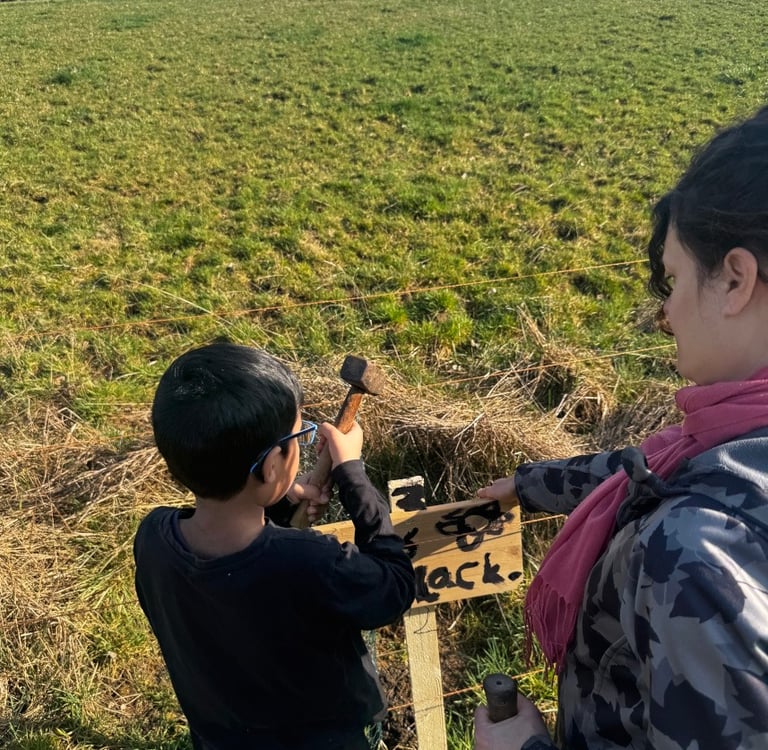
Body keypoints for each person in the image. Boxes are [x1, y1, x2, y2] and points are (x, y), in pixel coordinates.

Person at [474, 104, 768, 749]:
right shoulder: (730, 447)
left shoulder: (693, 559)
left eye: (674, 279)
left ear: (735, 280)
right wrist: (530, 485)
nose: (666, 314)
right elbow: (658, 471)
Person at [134, 342, 416, 750]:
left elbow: (244, 563)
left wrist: (279, 500)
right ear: (270, 466)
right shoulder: (311, 562)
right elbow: (393, 588)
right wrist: (353, 475)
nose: (302, 443)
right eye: (299, 435)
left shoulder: (153, 538)